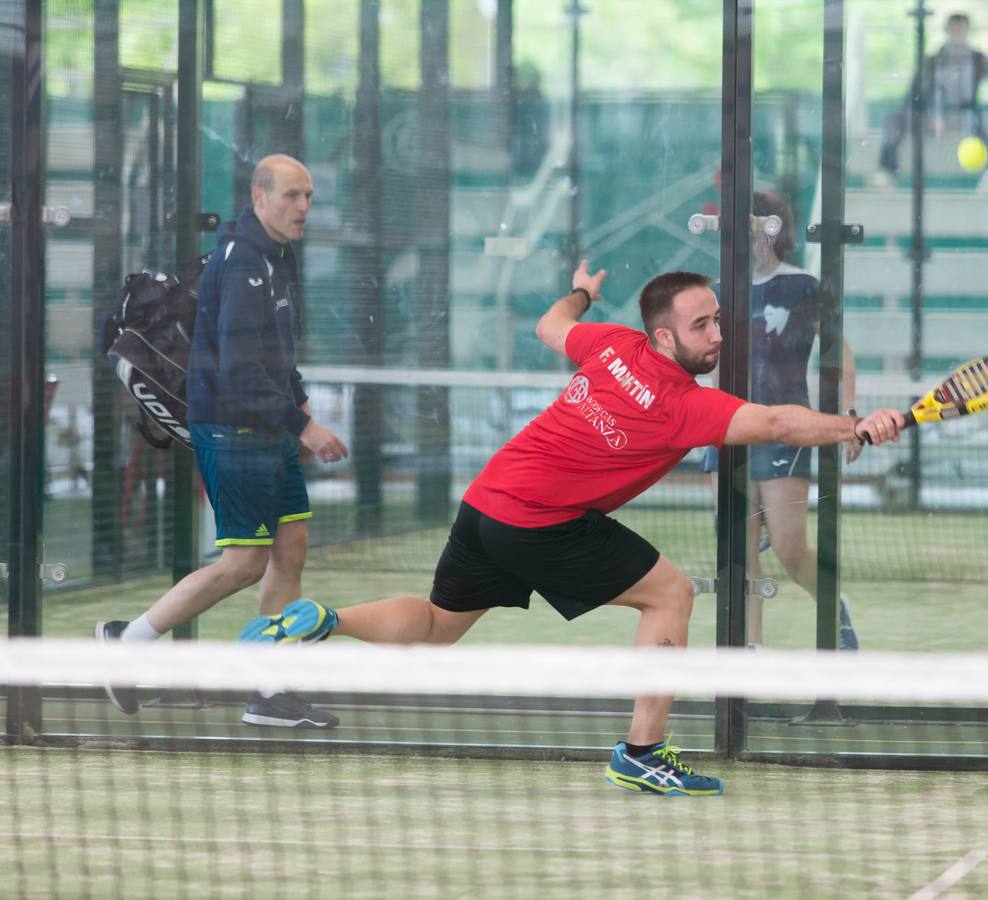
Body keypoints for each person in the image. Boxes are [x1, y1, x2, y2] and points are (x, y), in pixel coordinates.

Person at [239, 261, 905, 796]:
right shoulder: (682, 406)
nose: (719, 336)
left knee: (440, 626)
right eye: (703, 326)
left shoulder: (612, 343)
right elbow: (778, 424)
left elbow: (550, 324)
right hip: (540, 521)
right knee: (670, 593)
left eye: (719, 321)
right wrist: (855, 425)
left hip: (488, 500)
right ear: (665, 337)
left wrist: (581, 293)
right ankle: (643, 753)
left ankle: (323, 617)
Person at [97, 154, 349, 728]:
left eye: (308, 196)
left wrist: (299, 402)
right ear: (260, 198)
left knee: (291, 548)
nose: (303, 206)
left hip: (269, 430)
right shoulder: (241, 264)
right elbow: (237, 370)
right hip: (234, 432)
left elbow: (276, 354)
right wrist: (303, 425)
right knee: (242, 563)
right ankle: (127, 642)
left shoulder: (276, 258)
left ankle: (268, 687)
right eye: (291, 195)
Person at [700, 191, 861, 650]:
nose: (737, 238)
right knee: (739, 556)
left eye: (747, 227)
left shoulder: (804, 286)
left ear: (771, 230)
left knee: (791, 550)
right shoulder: (714, 294)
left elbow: (840, 350)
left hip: (787, 432)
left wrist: (847, 415)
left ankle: (836, 610)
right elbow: (704, 364)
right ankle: (750, 658)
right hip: (727, 432)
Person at [878, 12, 988, 188]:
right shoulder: (933, 61)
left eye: (962, 30)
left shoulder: (977, 59)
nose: (958, 34)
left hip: (967, 116)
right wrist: (933, 116)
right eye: (955, 30)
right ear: (948, 31)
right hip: (934, 117)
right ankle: (886, 171)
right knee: (894, 118)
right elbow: (914, 93)